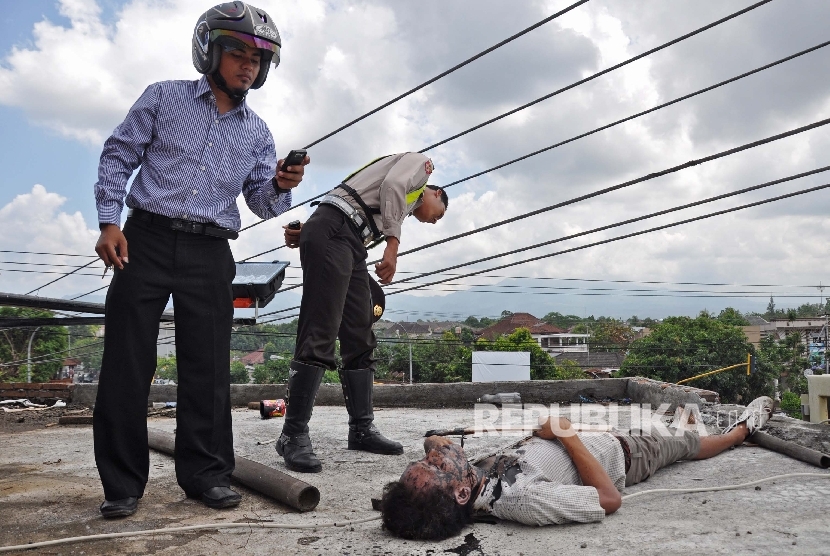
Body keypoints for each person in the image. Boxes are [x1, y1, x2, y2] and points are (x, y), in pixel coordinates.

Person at [92, 1, 308, 518]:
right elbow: (118, 155)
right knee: (127, 361)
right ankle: (121, 485)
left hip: (210, 250)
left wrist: (280, 184)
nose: (248, 66)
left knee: (207, 368)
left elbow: (261, 202)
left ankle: (206, 476)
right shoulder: (163, 98)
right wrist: (108, 222)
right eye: (237, 52)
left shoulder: (257, 132)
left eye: (258, 60)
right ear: (208, 49)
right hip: (142, 238)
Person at [380, 396, 774, 540]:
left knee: (668, 427)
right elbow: (608, 500)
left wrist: (436, 450)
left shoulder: (466, 484)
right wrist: (566, 435)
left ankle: (691, 426)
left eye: (425, 460)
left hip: (591, 440)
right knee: (682, 444)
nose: (433, 454)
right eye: (435, 465)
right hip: (625, 456)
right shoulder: (522, 501)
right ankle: (739, 433)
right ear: (461, 492)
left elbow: (435, 445)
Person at [277, 153, 448, 473]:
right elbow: (394, 185)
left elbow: (358, 205)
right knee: (321, 329)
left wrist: (307, 233)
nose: (433, 221)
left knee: (359, 329)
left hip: (348, 240)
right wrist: (393, 246)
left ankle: (361, 429)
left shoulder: (398, 207)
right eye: (438, 215)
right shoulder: (422, 168)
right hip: (336, 230)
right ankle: (293, 434)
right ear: (436, 193)